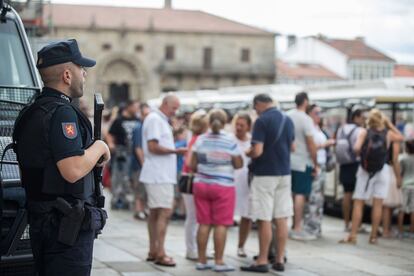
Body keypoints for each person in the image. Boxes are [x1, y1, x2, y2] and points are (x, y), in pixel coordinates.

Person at [14, 39, 111, 275]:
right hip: (65, 227)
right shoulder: (62, 112)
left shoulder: (33, 109)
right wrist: (99, 147)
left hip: (44, 220)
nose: (84, 73)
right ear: (67, 75)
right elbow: (73, 169)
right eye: (81, 68)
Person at [241, 94, 294, 273]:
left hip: (265, 174)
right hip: (285, 174)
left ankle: (262, 260)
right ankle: (279, 259)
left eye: (255, 108)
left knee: (264, 218)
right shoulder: (288, 119)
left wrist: (247, 152)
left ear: (259, 104)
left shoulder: (262, 121)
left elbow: (257, 151)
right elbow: (292, 147)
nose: (255, 111)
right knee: (281, 218)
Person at [339, 109, 403, 245]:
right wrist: (389, 124)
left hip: (364, 170)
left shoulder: (364, 132)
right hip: (382, 170)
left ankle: (353, 235)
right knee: (378, 203)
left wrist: (362, 154)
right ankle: (373, 236)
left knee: (358, 202)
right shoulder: (388, 134)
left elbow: (356, 148)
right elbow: (402, 137)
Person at [190, 109, 243, 272]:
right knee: (221, 224)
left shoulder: (200, 140)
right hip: (223, 186)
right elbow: (239, 164)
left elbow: (192, 165)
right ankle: (219, 261)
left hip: (201, 185)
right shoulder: (230, 141)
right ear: (226, 122)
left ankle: (201, 260)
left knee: (204, 223)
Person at [139, 94, 187, 267]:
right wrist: (177, 151)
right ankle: (160, 252)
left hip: (158, 173)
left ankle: (154, 250)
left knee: (155, 213)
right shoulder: (155, 119)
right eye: (174, 107)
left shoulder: (158, 119)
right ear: (165, 104)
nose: (175, 111)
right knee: (164, 212)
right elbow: (153, 147)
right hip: (159, 175)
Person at [287, 92, 318, 241]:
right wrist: (315, 163)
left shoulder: (287, 116)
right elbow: (311, 144)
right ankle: (297, 227)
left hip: (287, 161)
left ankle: (289, 224)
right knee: (300, 194)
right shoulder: (306, 119)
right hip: (302, 161)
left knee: (290, 193)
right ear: (305, 102)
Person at [303, 104, 335, 237]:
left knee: (319, 198)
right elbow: (310, 148)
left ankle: (316, 225)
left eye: (320, 113)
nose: (319, 115)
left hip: (321, 165)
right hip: (313, 165)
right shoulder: (309, 128)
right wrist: (325, 144)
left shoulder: (319, 129)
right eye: (316, 112)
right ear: (309, 113)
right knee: (313, 197)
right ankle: (310, 226)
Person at [181, 110, 208, 260]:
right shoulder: (198, 139)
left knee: (195, 216)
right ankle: (191, 249)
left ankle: (196, 247)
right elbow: (190, 162)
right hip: (192, 179)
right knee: (193, 216)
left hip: (191, 178)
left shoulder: (195, 138)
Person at [107, 100, 140, 209]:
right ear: (129, 107)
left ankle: (129, 200)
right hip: (122, 151)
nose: (137, 109)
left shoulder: (138, 120)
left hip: (135, 152)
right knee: (119, 176)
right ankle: (118, 200)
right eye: (135, 106)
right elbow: (110, 134)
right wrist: (111, 145)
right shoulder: (118, 120)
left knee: (132, 177)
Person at [336, 109, 364, 231]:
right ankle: (356, 225)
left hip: (344, 164)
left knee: (347, 194)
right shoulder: (359, 131)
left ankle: (346, 223)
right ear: (356, 117)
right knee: (357, 196)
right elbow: (357, 148)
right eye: (363, 117)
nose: (364, 120)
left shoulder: (341, 129)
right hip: (355, 164)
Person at [232, 112, 253, 257]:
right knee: (225, 215)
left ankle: (241, 246)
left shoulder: (252, 141)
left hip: (246, 181)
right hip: (231, 180)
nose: (238, 128)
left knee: (246, 215)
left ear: (248, 127)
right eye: (237, 125)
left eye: (242, 125)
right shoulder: (229, 139)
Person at [131, 102, 151, 220]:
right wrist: (144, 163)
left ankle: (143, 209)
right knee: (139, 188)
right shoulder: (139, 127)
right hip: (139, 165)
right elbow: (138, 148)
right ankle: (139, 210)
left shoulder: (145, 126)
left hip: (143, 164)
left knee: (143, 188)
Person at [382, 141, 402, 238]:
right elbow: (395, 160)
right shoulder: (394, 141)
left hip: (380, 170)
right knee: (387, 206)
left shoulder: (381, 135)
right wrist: (398, 177)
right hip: (390, 172)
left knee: (381, 204)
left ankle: (382, 229)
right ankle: (386, 230)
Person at [398, 138, 414, 238]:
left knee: (402, 209)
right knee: (413, 210)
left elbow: (400, 172)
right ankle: (412, 231)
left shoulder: (402, 158)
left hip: (404, 185)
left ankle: (400, 230)